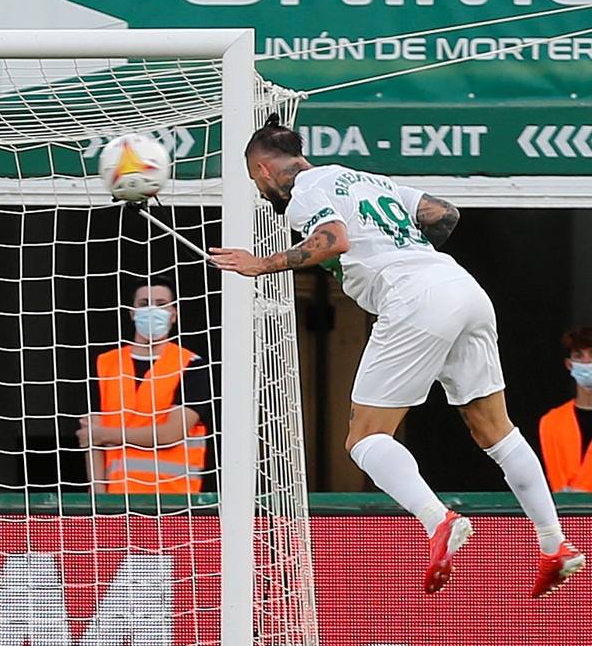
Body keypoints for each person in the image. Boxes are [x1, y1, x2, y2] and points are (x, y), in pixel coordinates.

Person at [211, 115, 583, 598]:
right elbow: (443, 214)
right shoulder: (364, 178)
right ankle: (554, 544)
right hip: (461, 287)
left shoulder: (304, 189)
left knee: (364, 438)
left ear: (262, 170)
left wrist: (263, 263)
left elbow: (335, 239)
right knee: (495, 429)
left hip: (414, 298)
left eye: (255, 183)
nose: (262, 194)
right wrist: (395, 248)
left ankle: (438, 520)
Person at [76, 280, 213, 494]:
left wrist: (105, 434)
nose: (152, 310)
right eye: (144, 303)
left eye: (160, 303)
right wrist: (98, 497)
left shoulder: (191, 364)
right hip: (117, 499)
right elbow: (91, 438)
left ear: (173, 314)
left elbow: (172, 433)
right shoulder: (105, 364)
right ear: (132, 313)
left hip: (176, 499)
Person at [538, 326, 592, 493]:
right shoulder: (551, 422)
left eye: (591, 355)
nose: (586, 362)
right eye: (578, 356)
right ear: (569, 364)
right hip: (565, 515)